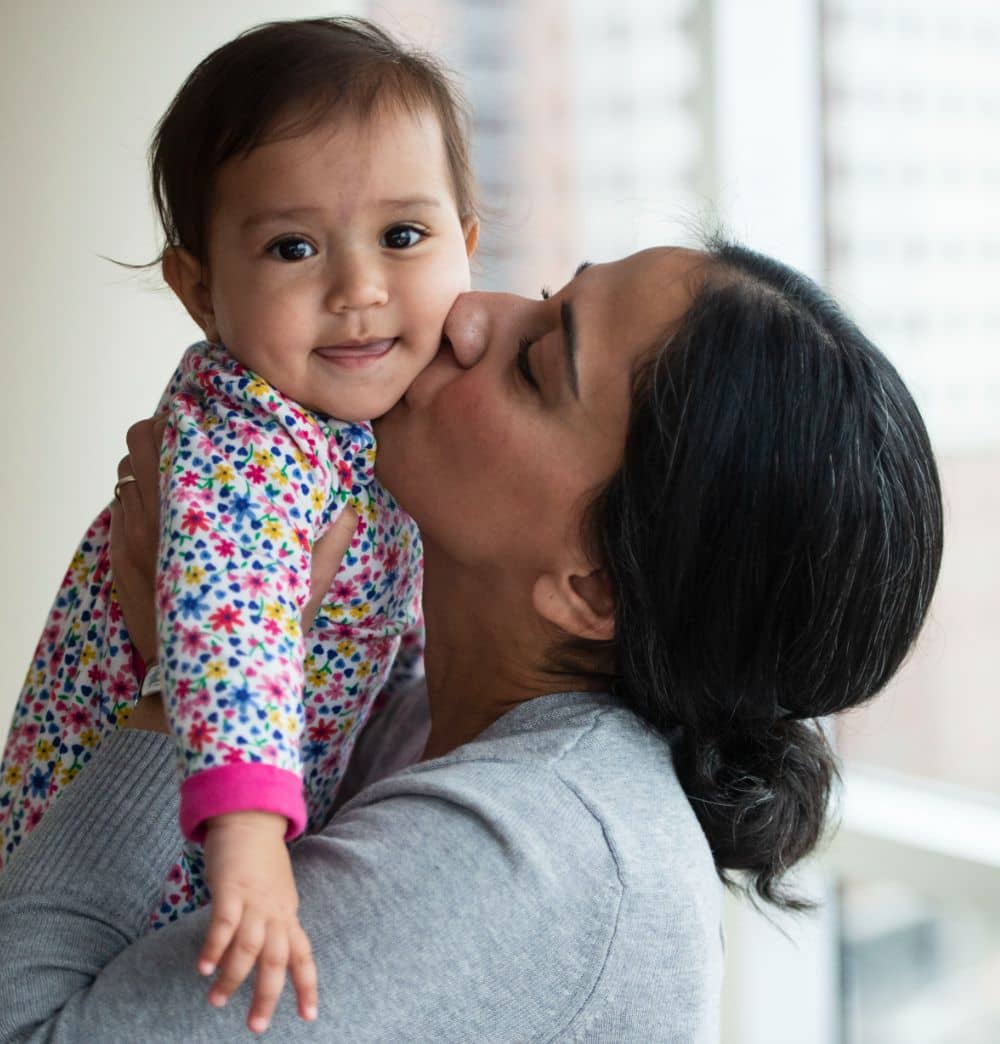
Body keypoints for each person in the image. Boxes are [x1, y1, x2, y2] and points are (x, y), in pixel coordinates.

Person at [0, 240, 942, 1040]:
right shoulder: (409, 705)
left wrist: (190, 689)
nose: (466, 316)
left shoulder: (532, 854)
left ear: (595, 588)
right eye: (543, 299)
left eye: (536, 362)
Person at [0, 17, 479, 1027]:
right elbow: (236, 621)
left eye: (403, 236)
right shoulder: (249, 432)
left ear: (466, 248)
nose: (358, 290)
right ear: (201, 289)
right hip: (148, 843)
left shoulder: (385, 420)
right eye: (293, 247)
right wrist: (251, 837)